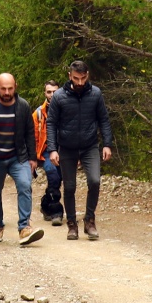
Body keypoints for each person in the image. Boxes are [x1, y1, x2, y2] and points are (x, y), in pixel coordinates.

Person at [44, 60, 114, 240]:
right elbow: (51, 123)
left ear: (87, 75)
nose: (80, 82)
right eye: (76, 78)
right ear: (70, 76)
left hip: (89, 145)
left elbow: (104, 120)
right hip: (66, 146)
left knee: (94, 181)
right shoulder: (59, 96)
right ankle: (72, 224)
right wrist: (52, 149)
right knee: (69, 187)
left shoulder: (96, 94)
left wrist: (107, 144)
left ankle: (89, 220)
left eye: (83, 78)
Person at [0, 73, 42, 245]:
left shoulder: (23, 106)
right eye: (3, 88)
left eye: (10, 88)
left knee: (25, 185)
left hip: (17, 157)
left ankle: (24, 228)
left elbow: (29, 133)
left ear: (15, 87)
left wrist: (33, 158)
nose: (6, 92)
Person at [33, 80, 64, 225]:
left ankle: (46, 203)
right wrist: (32, 157)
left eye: (55, 92)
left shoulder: (67, 109)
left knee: (60, 179)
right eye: (49, 92)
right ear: (45, 93)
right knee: (53, 176)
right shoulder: (38, 113)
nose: (52, 95)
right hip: (46, 151)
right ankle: (56, 211)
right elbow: (32, 135)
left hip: (65, 150)